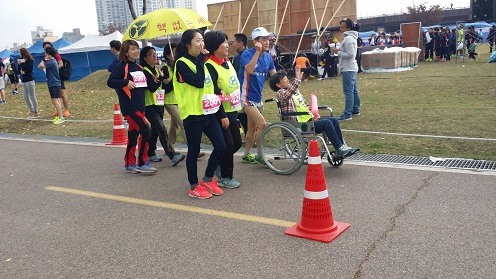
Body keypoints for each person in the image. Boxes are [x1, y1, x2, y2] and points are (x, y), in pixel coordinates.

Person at [173, 29, 226, 199]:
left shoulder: (202, 62)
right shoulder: (181, 63)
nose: (201, 43)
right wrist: (202, 60)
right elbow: (197, 82)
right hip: (193, 114)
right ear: (188, 44)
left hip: (209, 112)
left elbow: (210, 86)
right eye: (197, 40)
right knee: (194, 151)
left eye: (202, 40)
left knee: (221, 146)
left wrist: (220, 93)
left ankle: (208, 179)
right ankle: (194, 186)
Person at [269, 67, 359, 158]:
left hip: (308, 119)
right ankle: (339, 148)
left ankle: (342, 146)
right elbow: (287, 95)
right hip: (299, 124)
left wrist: (314, 112)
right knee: (326, 123)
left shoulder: (295, 92)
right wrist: (297, 80)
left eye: (286, 78)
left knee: (334, 120)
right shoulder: (280, 93)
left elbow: (303, 105)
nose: (287, 80)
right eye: (284, 79)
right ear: (278, 85)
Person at [107, 40, 158, 174]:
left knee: (134, 135)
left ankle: (129, 163)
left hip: (141, 107)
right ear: (126, 52)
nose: (136, 51)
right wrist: (125, 82)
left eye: (137, 49)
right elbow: (110, 81)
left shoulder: (139, 68)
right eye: (132, 49)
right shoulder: (122, 66)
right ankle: (142, 162)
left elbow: (149, 88)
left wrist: (157, 80)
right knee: (146, 131)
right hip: (129, 107)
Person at [205, 30, 242, 188]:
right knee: (228, 144)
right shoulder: (209, 65)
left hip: (232, 109)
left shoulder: (228, 61)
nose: (227, 45)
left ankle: (217, 160)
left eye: (227, 42)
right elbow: (212, 90)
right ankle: (224, 177)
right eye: (224, 43)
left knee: (237, 142)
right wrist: (221, 114)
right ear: (214, 46)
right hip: (219, 112)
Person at [139, 46, 185, 166]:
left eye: (155, 53)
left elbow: (162, 86)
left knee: (155, 130)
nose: (154, 56)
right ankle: (172, 154)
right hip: (149, 105)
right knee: (161, 128)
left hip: (159, 103)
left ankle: (151, 152)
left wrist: (161, 78)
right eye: (151, 54)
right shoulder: (144, 71)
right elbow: (152, 87)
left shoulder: (157, 70)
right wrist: (160, 78)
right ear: (144, 58)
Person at [239, 27, 277, 165]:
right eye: (264, 39)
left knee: (252, 127)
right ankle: (260, 155)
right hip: (246, 97)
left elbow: (275, 76)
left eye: (268, 39)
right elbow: (249, 69)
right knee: (262, 124)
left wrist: (288, 84)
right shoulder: (246, 54)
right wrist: (257, 52)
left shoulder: (268, 57)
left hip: (257, 98)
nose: (267, 42)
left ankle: (246, 154)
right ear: (256, 41)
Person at [330, 18, 361, 121]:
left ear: (348, 27)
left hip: (348, 68)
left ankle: (347, 114)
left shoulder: (348, 39)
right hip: (351, 68)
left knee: (348, 91)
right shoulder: (351, 38)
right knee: (353, 90)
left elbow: (351, 54)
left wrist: (338, 53)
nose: (341, 28)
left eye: (342, 27)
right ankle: (355, 109)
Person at [37, 46, 65, 124]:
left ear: (48, 54)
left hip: (53, 83)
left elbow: (39, 66)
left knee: (55, 100)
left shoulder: (51, 62)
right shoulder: (54, 61)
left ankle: (61, 117)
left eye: (45, 53)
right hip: (54, 82)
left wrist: (44, 59)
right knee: (57, 100)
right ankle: (60, 115)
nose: (44, 54)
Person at [42, 42, 70, 118]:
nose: (46, 48)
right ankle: (59, 111)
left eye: (48, 46)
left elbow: (61, 64)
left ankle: (66, 110)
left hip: (58, 76)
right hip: (51, 78)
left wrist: (54, 70)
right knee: (57, 96)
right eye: (45, 47)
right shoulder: (46, 57)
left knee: (62, 93)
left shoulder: (56, 55)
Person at [231, 33, 249, 141]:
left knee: (244, 115)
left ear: (240, 43)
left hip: (244, 90)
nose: (233, 45)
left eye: (234, 42)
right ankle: (247, 135)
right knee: (241, 115)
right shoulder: (237, 58)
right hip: (237, 90)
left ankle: (249, 135)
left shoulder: (245, 56)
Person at [18, 48, 39, 117]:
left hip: (29, 81)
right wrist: (19, 65)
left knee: (32, 96)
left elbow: (28, 71)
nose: (19, 54)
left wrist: (22, 64)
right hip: (24, 81)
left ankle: (35, 111)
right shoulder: (21, 61)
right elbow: (19, 70)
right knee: (25, 97)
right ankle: (31, 110)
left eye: (20, 53)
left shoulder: (29, 61)